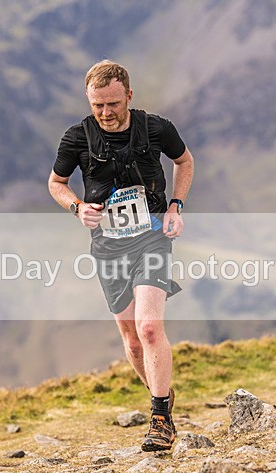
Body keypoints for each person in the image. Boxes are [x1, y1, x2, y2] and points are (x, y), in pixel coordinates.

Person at [48, 60, 194, 452]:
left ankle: (160, 418)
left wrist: (176, 205)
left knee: (149, 328)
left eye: (113, 103)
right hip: (108, 246)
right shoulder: (76, 138)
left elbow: (184, 161)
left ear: (129, 95)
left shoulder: (156, 128)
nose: (106, 113)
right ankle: (161, 393)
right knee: (131, 340)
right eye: (98, 105)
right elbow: (56, 183)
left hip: (151, 238)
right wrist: (77, 207)